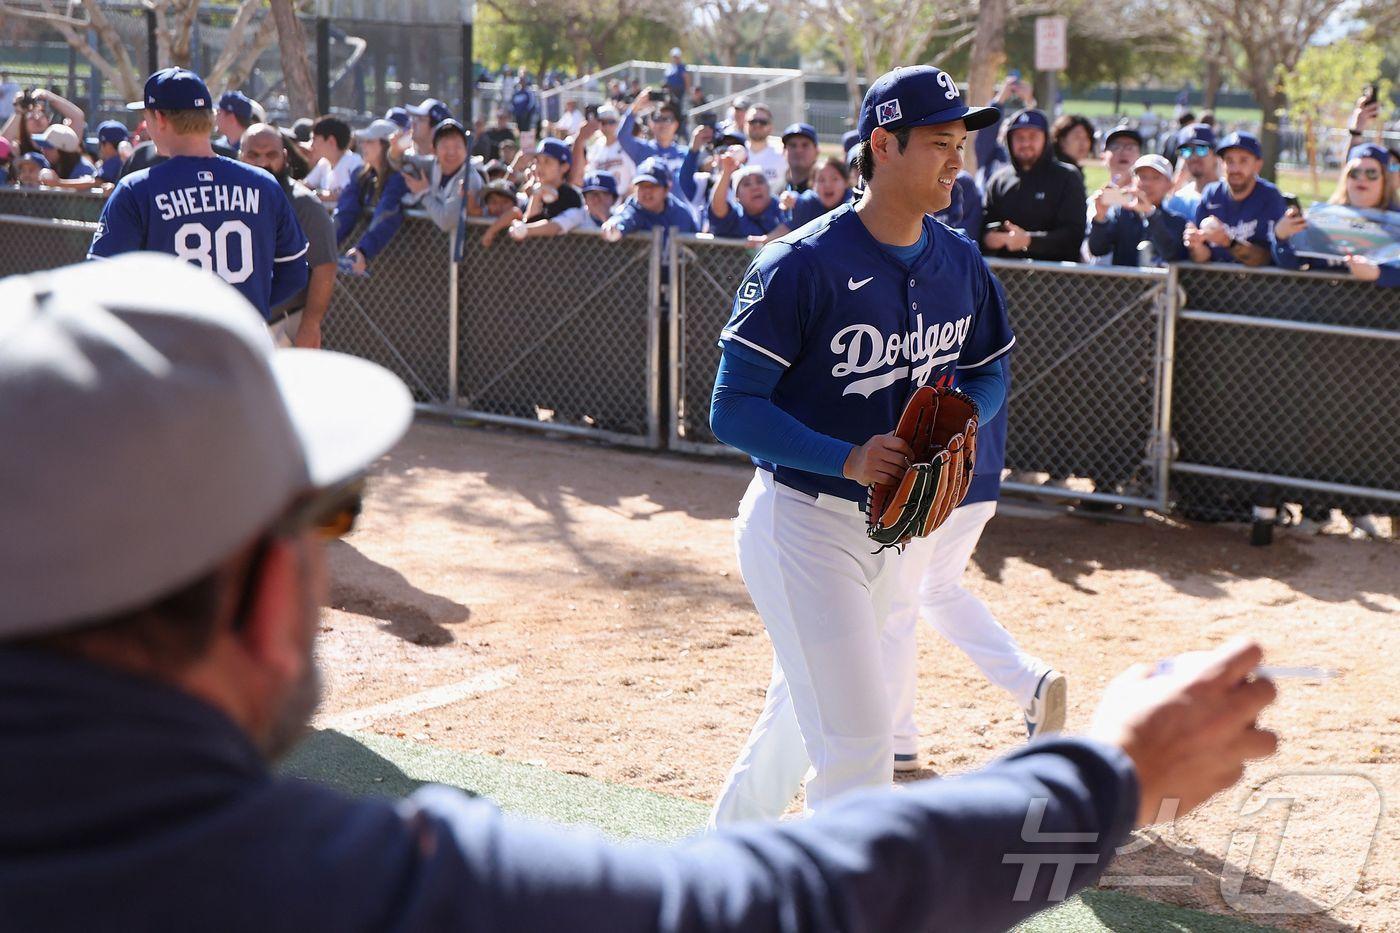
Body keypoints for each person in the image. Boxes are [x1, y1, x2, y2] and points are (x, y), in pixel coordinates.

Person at [0, 252, 1280, 933]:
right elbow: (796, 907)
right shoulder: (360, 886)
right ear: (271, 590)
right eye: (323, 520)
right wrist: (1104, 772)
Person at [707, 65, 1020, 824]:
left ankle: (714, 868)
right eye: (942, 142)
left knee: (798, 718)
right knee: (858, 742)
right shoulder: (800, 264)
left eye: (962, 142)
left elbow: (990, 368)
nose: (959, 159)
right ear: (883, 144)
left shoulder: (959, 259)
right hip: (802, 523)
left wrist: (959, 417)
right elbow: (731, 409)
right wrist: (847, 456)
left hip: (897, 526)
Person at [880, 342, 1065, 774]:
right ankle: (1030, 681)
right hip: (977, 473)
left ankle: (898, 740)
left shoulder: (945, 280)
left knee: (897, 606)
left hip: (935, 475)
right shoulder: (976, 283)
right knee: (937, 592)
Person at [88, 67, 308, 322]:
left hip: (173, 347)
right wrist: (250, 306)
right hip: (246, 342)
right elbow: (294, 273)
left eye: (146, 116)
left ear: (159, 118)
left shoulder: (136, 189)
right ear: (210, 117)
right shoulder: (264, 184)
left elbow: (102, 277)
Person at [240, 123, 337, 349]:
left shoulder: (303, 204)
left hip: (284, 324)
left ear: (284, 156)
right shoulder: (227, 199)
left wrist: (310, 324)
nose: (262, 162)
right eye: (253, 155)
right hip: (241, 325)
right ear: (240, 155)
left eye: (271, 155)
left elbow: (325, 266)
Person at [1272, 143, 1400, 285]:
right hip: (1324, 303)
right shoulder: (1323, 218)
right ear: (1346, 179)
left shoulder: (1396, 221)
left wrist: (1379, 274)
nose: (1362, 178)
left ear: (1385, 180)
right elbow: (1291, 264)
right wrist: (1281, 238)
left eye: (1371, 173)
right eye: (1355, 173)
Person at [982, 109, 1087, 262]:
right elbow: (984, 226)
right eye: (1019, 137)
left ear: (1046, 139)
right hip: (1005, 276)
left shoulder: (1067, 177)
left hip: (1056, 278)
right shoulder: (999, 180)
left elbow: (1073, 236)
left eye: (1033, 136)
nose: (1025, 143)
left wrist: (1028, 241)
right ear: (1009, 141)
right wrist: (989, 238)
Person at [1184, 131, 1285, 267]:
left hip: (1256, 284)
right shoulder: (1212, 194)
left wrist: (1227, 241)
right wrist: (1195, 245)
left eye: (1243, 160)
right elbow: (1203, 256)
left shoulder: (1269, 196)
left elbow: (1264, 258)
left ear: (1257, 165)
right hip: (1214, 282)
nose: (1235, 168)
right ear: (1221, 164)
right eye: (1229, 161)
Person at [335, 119, 410, 275]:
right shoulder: (362, 175)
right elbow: (346, 210)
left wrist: (363, 250)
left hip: (406, 261)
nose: (363, 145)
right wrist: (327, 241)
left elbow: (386, 214)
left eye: (369, 141)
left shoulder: (400, 177)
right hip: (379, 263)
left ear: (385, 145)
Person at [1087, 154, 1189, 267]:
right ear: (1133, 181)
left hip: (1163, 284)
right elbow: (1098, 249)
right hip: (1124, 283)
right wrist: (1100, 216)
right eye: (1142, 177)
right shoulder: (1121, 214)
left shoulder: (1177, 221)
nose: (1147, 183)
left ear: (1169, 185)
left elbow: (1171, 254)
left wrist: (1150, 213)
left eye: (1155, 177)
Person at [404, 118, 484, 227]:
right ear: (434, 150)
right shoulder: (432, 164)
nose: (451, 152)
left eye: (457, 146)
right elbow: (401, 161)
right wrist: (394, 151)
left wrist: (424, 194)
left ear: (466, 150)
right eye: (445, 146)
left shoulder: (470, 178)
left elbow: (446, 221)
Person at [600, 156, 698, 242]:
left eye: (653, 186)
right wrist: (614, 226)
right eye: (642, 186)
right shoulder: (633, 209)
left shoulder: (681, 214)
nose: (647, 191)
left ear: (666, 189)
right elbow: (624, 217)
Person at [506, 137, 586, 241]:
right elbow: (501, 191)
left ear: (564, 167)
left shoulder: (571, 196)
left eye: (547, 161)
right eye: (538, 161)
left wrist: (524, 229)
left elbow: (557, 226)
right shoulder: (531, 192)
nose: (540, 166)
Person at [706, 157, 782, 241]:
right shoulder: (736, 216)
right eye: (747, 184)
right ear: (737, 196)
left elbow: (793, 223)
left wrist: (765, 240)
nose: (755, 187)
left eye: (760, 182)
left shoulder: (784, 207)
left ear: (768, 188)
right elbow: (718, 208)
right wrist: (726, 172)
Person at [618, 88, 686, 177]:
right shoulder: (642, 149)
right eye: (657, 119)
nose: (662, 123)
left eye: (667, 119)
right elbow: (623, 136)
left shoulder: (686, 154)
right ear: (650, 123)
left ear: (676, 124)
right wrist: (636, 106)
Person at [783, 154, 854, 229]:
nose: (828, 185)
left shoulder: (853, 205)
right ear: (813, 185)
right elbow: (798, 199)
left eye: (834, 179)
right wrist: (790, 198)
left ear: (846, 182)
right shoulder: (809, 203)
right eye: (821, 180)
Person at [1163, 123, 1219, 218]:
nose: (1193, 157)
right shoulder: (1178, 201)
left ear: (1215, 155)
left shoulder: (1232, 194)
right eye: (1187, 151)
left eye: (1201, 149)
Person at [303, 115, 362, 203]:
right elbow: (304, 186)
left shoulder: (355, 163)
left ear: (331, 141)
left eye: (314, 139)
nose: (311, 145)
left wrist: (320, 196)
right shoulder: (324, 163)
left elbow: (356, 196)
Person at [584, 104, 634, 192]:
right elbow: (589, 174)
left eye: (611, 122)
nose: (607, 126)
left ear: (618, 123)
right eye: (603, 122)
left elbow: (635, 175)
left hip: (622, 199)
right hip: (600, 199)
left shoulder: (626, 145)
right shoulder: (595, 146)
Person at [743, 104, 786, 194]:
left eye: (763, 122)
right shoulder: (737, 153)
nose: (757, 125)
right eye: (753, 121)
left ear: (771, 127)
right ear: (745, 124)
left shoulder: (782, 154)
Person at [31, 124, 95, 183]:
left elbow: (89, 183)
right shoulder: (47, 164)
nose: (43, 150)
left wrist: (58, 183)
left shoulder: (84, 169)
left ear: (62, 152)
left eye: (49, 147)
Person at [779, 122, 819, 194]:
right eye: (793, 145)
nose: (798, 150)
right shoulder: (777, 190)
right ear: (783, 151)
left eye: (805, 145)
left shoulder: (824, 192)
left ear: (816, 151)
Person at [1099, 124, 1143, 189]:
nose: (1124, 152)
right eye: (1116, 147)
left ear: (1140, 156)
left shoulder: (1151, 195)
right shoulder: (1097, 197)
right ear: (1103, 156)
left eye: (1130, 147)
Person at [91, 120, 131, 185]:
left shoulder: (115, 160)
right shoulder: (126, 160)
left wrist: (68, 184)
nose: (100, 147)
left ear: (108, 145)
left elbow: (98, 181)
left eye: (101, 143)